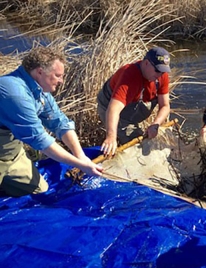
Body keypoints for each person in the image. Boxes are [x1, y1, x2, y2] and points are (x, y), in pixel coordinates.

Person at [0, 46, 103, 197]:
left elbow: (59, 122)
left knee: (39, 190)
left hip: (10, 154)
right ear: (40, 71)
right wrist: (80, 165)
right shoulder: (15, 94)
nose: (61, 81)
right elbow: (40, 140)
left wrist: (80, 155)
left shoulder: (39, 89)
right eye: (58, 75)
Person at [97, 47, 171, 157]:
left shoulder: (161, 75)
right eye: (157, 70)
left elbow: (165, 106)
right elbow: (113, 110)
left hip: (133, 110)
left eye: (163, 71)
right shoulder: (129, 76)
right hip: (111, 108)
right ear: (146, 63)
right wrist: (111, 137)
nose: (160, 75)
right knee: (135, 148)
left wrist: (155, 125)